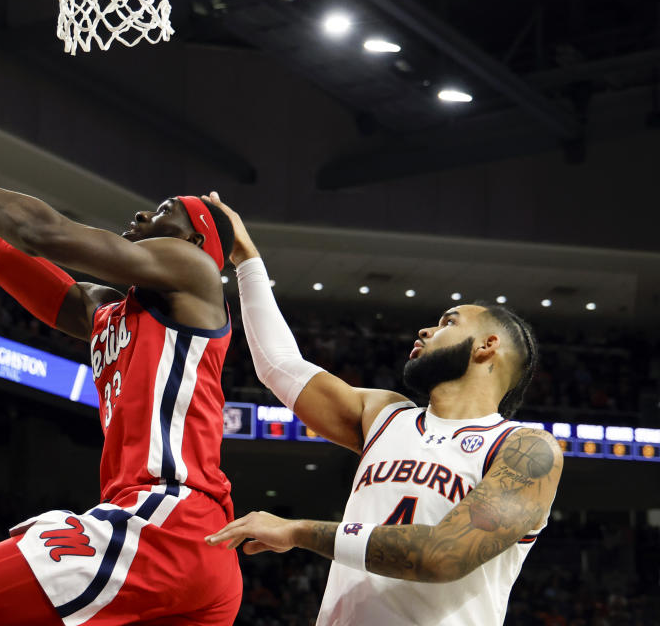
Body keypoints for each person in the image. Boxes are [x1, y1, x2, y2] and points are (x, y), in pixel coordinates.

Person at [0, 101, 241, 625]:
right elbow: (1, 257)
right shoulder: (108, 313)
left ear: (196, 242)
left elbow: (42, 233)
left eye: (162, 213)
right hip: (195, 552)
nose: (141, 216)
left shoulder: (195, 271)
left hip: (167, 518)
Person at [203, 196, 563, 626]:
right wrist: (247, 260)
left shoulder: (525, 448)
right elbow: (280, 366)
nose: (426, 329)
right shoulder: (387, 415)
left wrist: (298, 531)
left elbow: (441, 556)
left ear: (487, 346)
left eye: (449, 322)